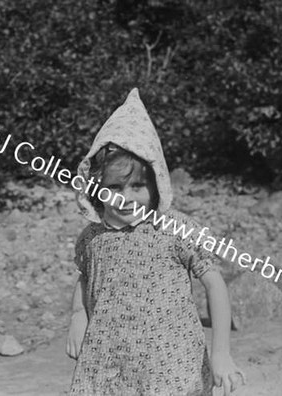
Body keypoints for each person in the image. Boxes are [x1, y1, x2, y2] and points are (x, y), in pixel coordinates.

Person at [66, 88, 245, 395]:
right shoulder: (93, 237)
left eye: (137, 185)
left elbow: (214, 283)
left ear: (157, 182)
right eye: (114, 186)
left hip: (171, 366)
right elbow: (86, 278)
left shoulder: (175, 229)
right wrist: (78, 315)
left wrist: (221, 352)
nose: (125, 197)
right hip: (111, 367)